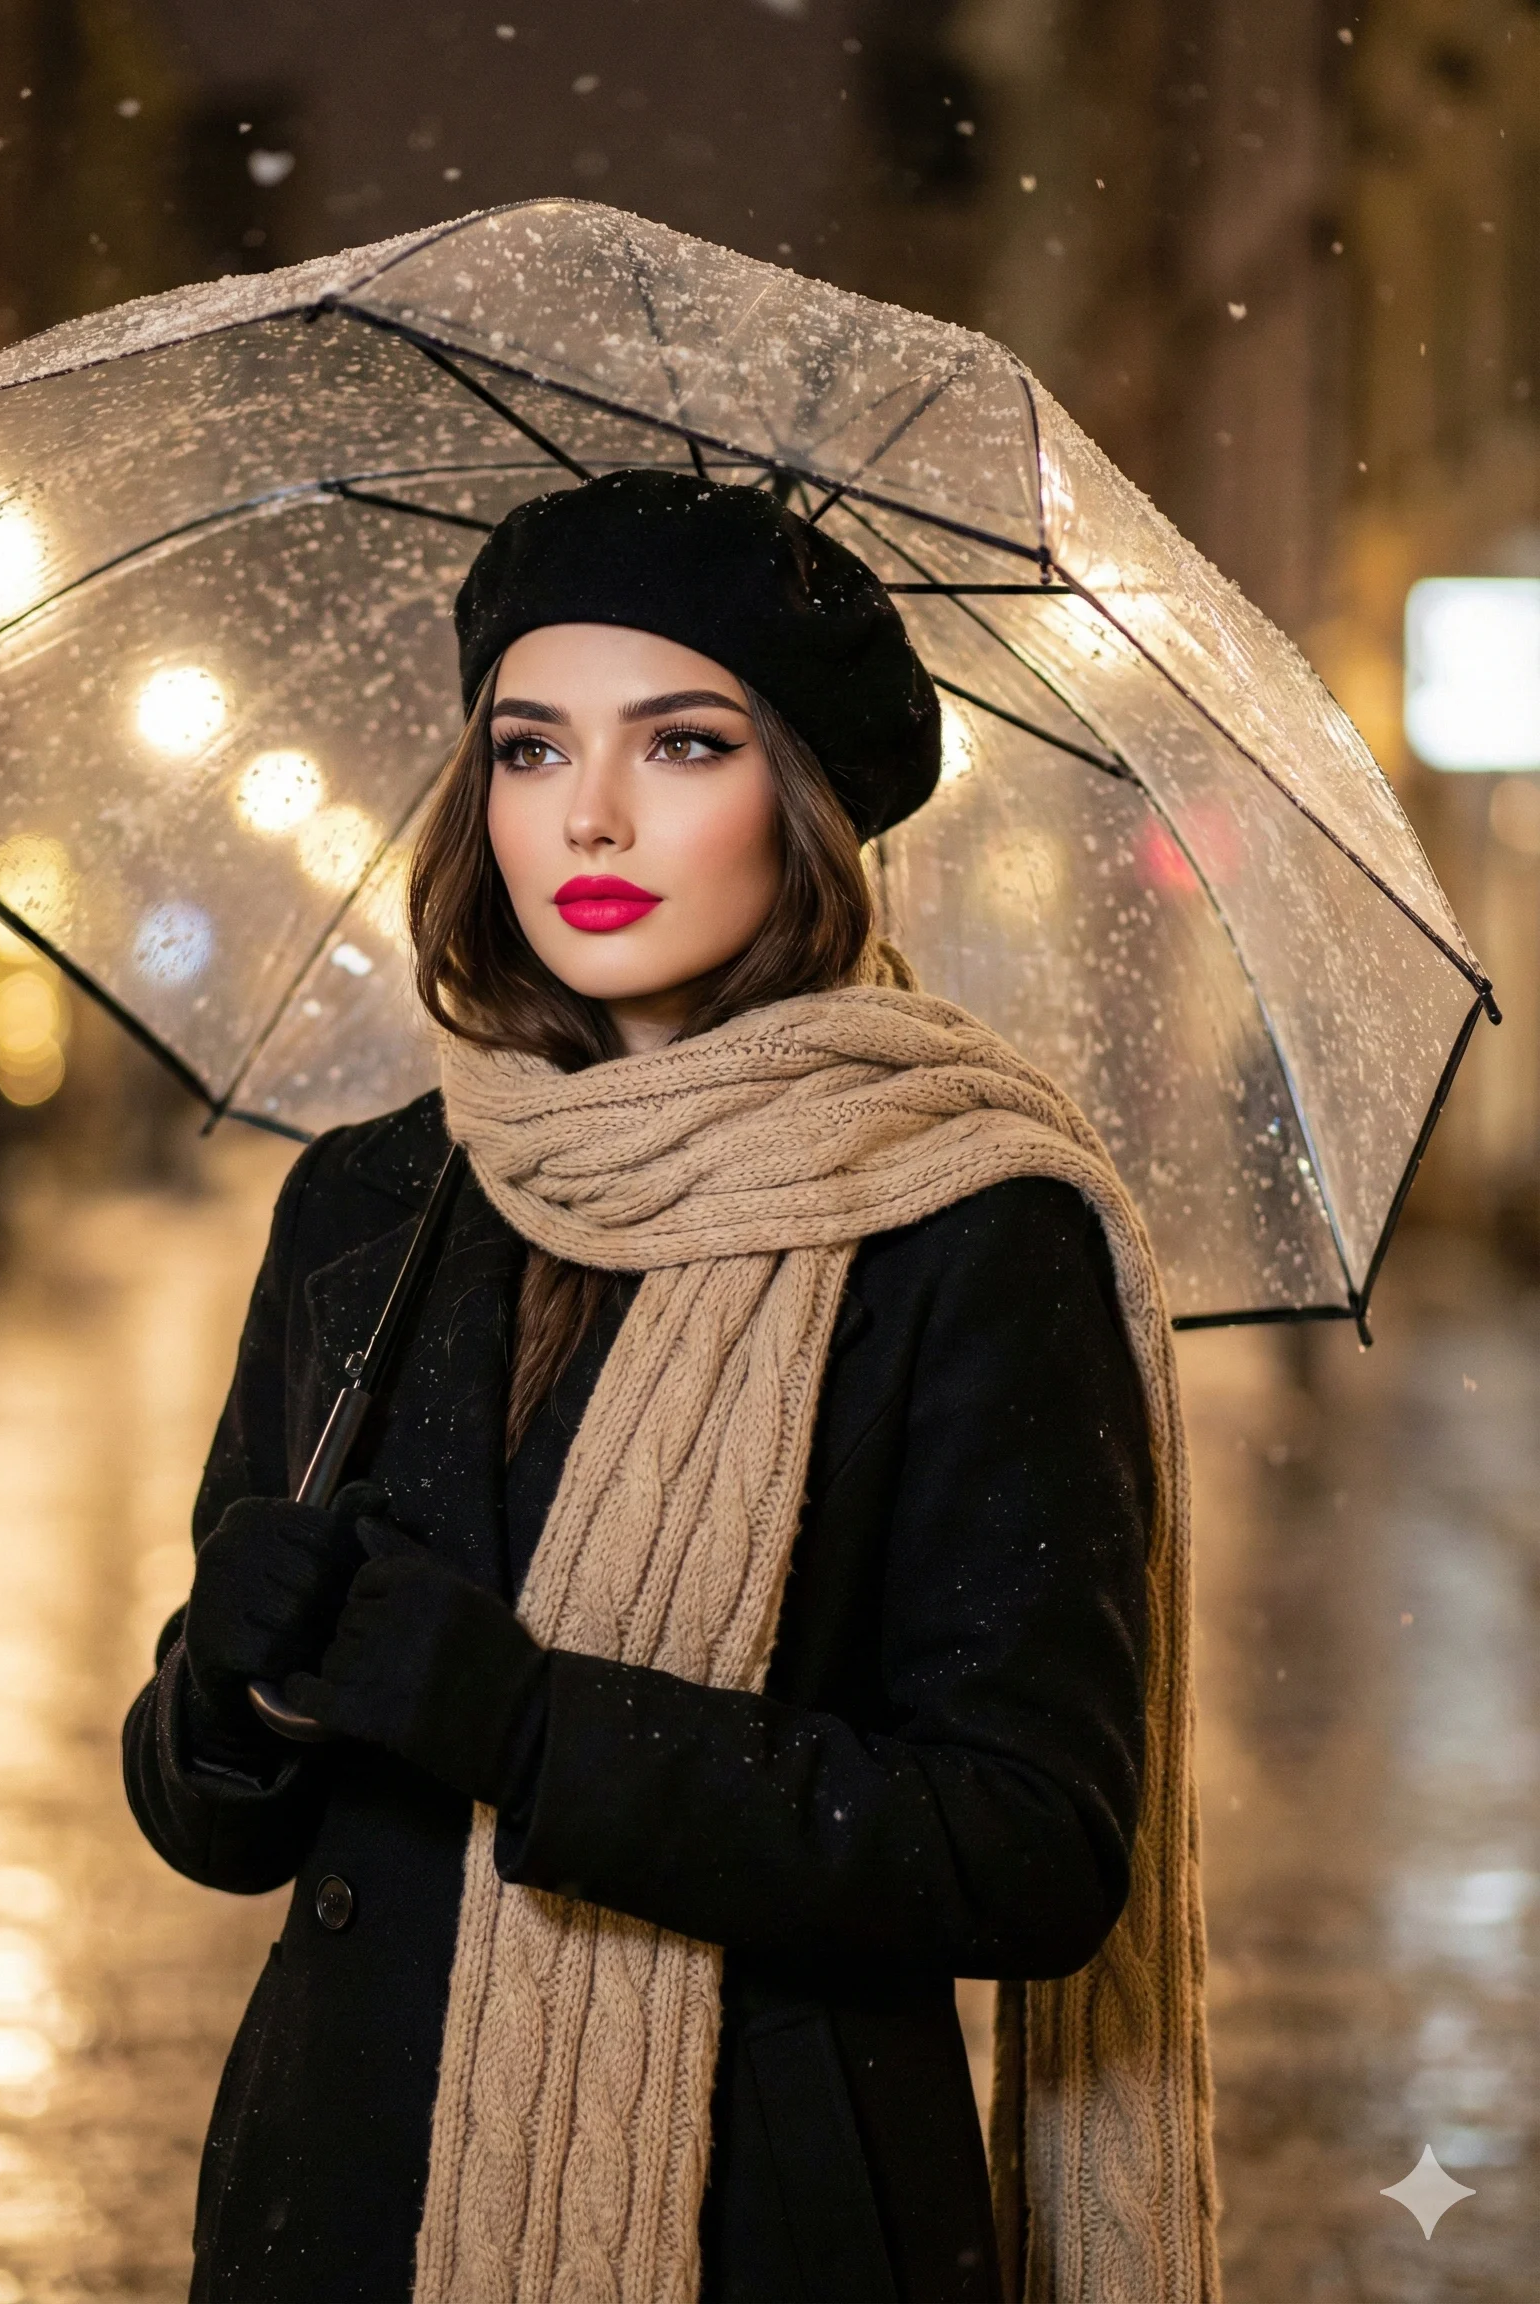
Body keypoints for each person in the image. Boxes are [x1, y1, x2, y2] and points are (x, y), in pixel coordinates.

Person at [123, 470, 1218, 2303]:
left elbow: (1031, 1848)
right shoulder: (372, 1201)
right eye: (532, 749)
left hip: (754, 2226)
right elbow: (214, 1827)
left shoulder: (967, 1225)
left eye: (685, 744)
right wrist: (225, 1695)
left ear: (808, 802)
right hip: (334, 2212)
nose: (592, 814)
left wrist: (535, 1732)